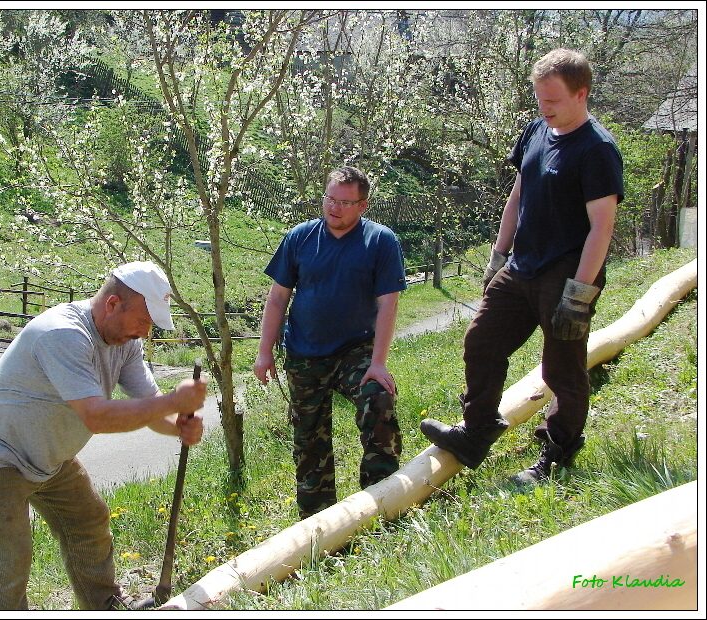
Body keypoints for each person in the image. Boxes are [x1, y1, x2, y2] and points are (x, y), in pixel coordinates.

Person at [0, 261, 208, 610]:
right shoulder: (63, 334)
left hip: (49, 457)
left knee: (88, 522)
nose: (145, 332)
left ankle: (105, 607)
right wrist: (174, 402)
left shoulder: (125, 342)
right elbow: (97, 416)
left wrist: (179, 425)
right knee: (7, 565)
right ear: (113, 304)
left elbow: (150, 405)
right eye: (143, 321)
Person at [420, 48, 624, 486]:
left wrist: (579, 294)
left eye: (553, 100)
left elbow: (602, 227)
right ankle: (477, 430)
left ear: (581, 94)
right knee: (481, 342)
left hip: (566, 273)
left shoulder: (597, 150)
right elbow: (517, 196)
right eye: (539, 99)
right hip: (521, 265)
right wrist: (498, 255)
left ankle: (558, 451)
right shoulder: (536, 130)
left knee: (561, 369)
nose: (544, 108)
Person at [254, 165, 407, 519]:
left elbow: (388, 304)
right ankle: (317, 521)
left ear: (363, 206)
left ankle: (382, 500)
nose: (334, 208)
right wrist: (264, 352)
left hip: (356, 350)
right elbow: (277, 298)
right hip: (304, 355)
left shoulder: (380, 241)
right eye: (330, 199)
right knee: (309, 439)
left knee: (378, 399)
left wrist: (378, 362)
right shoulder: (300, 237)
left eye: (345, 202)